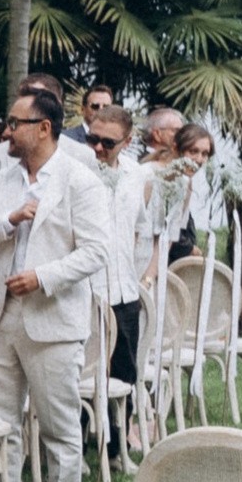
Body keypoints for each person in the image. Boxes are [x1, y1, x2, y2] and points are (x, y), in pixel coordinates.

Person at [0, 88, 111, 482]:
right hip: (1, 312)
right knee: (1, 415)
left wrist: (42, 277)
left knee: (59, 416)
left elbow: (97, 251)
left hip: (53, 315)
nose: (6, 131)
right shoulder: (6, 177)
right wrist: (9, 219)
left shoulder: (79, 179)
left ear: (43, 128)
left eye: (15, 123)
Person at [85, 97, 148, 396]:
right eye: (92, 139)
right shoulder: (78, 172)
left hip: (124, 289)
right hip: (87, 289)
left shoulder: (136, 174)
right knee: (86, 373)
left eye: (107, 143)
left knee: (124, 374)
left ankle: (121, 437)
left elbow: (139, 227)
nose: (98, 148)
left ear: (127, 141)